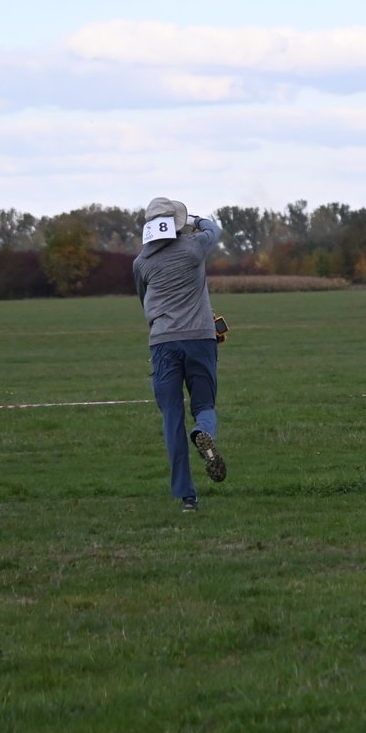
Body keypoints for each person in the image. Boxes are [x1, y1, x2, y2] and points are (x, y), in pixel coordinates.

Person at [132, 197, 227, 512]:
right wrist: (196, 220)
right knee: (204, 406)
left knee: (172, 418)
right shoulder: (194, 247)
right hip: (200, 339)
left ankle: (187, 496)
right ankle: (203, 431)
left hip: (163, 344)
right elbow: (215, 229)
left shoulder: (141, 263)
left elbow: (144, 299)